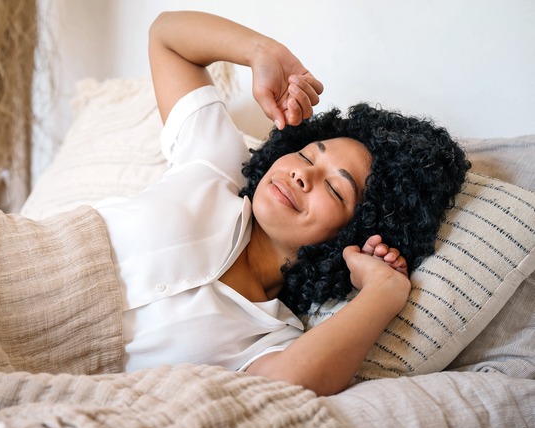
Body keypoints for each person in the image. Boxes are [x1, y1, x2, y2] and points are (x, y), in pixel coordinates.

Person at [93, 11, 469, 396]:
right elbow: (167, 37)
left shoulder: (272, 336)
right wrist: (262, 52)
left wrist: (382, 292)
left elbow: (284, 389)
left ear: (355, 232)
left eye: (336, 190)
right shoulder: (216, 168)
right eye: (307, 156)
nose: (301, 175)